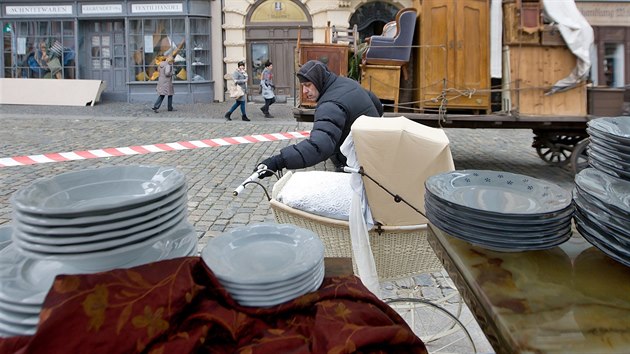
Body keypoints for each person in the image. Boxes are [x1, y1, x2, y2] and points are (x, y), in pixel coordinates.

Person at [255, 60, 383, 177]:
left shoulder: (330, 104)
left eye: (308, 85)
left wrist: (277, 161)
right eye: (303, 86)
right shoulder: (347, 82)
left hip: (361, 164)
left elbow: (319, 147)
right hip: (376, 150)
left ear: (319, 80)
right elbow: (376, 104)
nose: (304, 91)